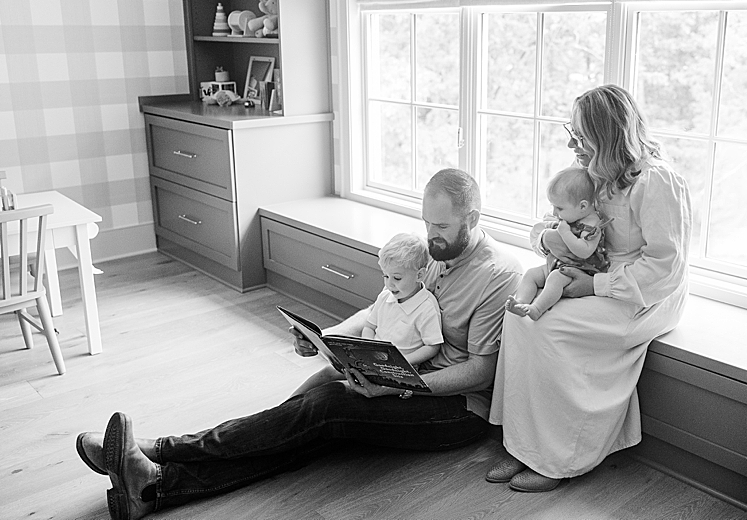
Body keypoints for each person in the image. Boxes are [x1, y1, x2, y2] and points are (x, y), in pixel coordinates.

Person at [75, 168, 522, 520]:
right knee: (302, 419)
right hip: (397, 374)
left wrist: (398, 387)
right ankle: (153, 488)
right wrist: (328, 338)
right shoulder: (431, 254)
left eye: (440, 226)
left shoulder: (499, 273)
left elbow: (482, 372)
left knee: (323, 409)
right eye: (426, 222)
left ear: (473, 220)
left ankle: (160, 452)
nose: (430, 235)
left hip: (456, 408)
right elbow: (377, 310)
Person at [487, 84, 692, 493]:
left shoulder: (657, 182)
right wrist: (547, 240)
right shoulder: (594, 175)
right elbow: (550, 223)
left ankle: (559, 457)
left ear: (609, 135)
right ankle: (527, 445)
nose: (570, 143)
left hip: (643, 294)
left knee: (548, 329)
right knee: (518, 320)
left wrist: (595, 285)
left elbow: (665, 268)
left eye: (580, 136)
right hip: (591, 273)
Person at [290, 232, 443, 395]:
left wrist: (405, 361)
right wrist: (368, 350)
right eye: (386, 276)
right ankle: (284, 405)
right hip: (373, 363)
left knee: (336, 391)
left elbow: (432, 346)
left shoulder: (426, 307)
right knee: (327, 373)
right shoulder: (387, 296)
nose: (389, 284)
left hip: (400, 371)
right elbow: (370, 325)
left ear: (420, 275)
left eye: (397, 278)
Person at [505, 165, 609, 321]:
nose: (554, 213)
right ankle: (521, 303)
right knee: (532, 274)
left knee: (555, 278)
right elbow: (541, 230)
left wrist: (565, 233)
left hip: (582, 270)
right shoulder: (570, 216)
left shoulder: (592, 225)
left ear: (583, 206)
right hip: (559, 264)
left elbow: (584, 251)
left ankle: (537, 308)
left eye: (559, 208)